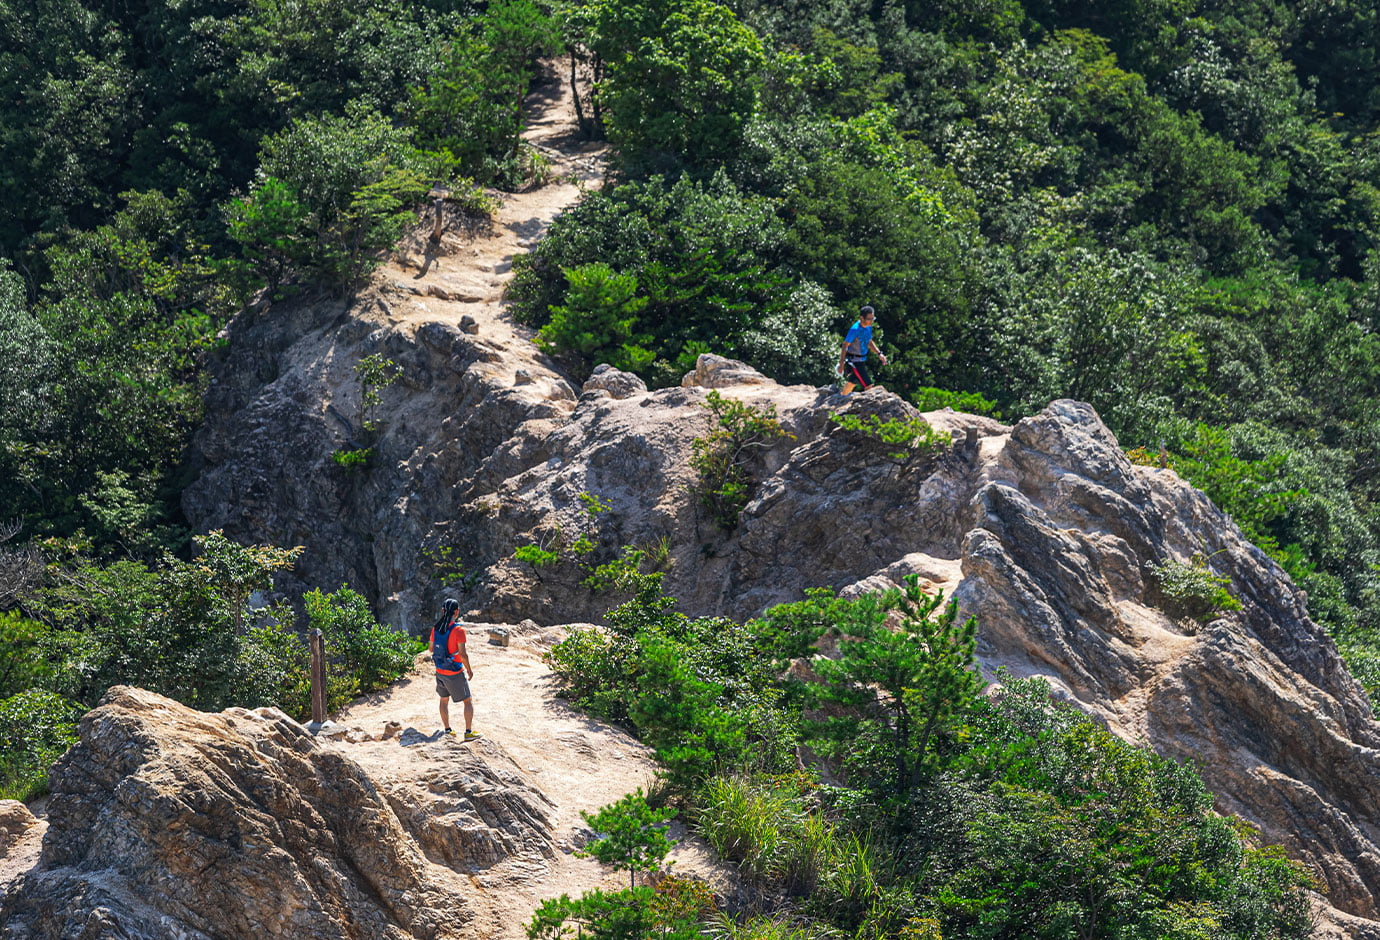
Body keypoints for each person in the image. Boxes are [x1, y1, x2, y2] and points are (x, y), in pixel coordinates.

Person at [430, 598, 479, 741]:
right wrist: (469, 670)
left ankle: (447, 730)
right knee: (467, 700)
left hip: (440, 671)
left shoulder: (436, 628)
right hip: (454, 672)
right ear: (456, 612)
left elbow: (431, 649)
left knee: (443, 700)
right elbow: (462, 654)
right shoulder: (459, 630)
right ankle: (468, 732)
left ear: (443, 611)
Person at [838, 305, 888, 395]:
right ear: (861, 318)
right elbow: (845, 345)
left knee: (853, 382)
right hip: (854, 361)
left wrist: (879, 353)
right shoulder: (855, 329)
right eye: (869, 319)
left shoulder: (868, 327)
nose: (872, 321)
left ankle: (841, 397)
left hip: (862, 359)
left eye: (873, 318)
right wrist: (841, 364)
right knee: (868, 385)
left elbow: (869, 341)